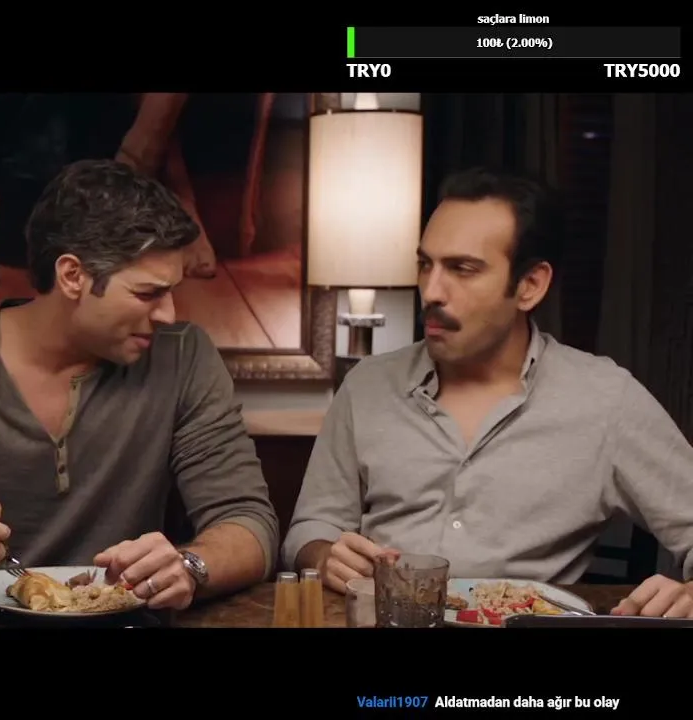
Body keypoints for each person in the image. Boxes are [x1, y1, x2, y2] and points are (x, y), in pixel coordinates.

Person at [0, 159, 278, 610]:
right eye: (148, 293)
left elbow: (250, 523)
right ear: (72, 276)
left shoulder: (184, 357)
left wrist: (191, 566)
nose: (169, 314)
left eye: (171, 291)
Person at [282, 167, 693, 619]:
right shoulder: (367, 386)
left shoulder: (605, 399)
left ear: (530, 286)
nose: (431, 291)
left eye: (462, 269)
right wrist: (324, 554)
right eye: (425, 264)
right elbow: (311, 526)